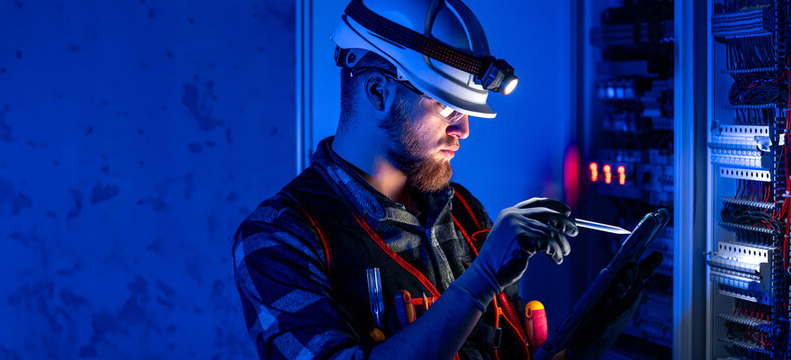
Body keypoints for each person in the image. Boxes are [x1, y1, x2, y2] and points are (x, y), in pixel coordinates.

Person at [232, 0, 662, 358]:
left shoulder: (464, 213)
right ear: (379, 92)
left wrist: (590, 333)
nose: (464, 131)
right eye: (446, 108)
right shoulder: (279, 239)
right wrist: (481, 281)